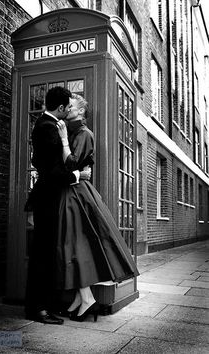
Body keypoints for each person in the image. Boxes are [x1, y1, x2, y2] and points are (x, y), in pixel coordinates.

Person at [55, 94, 139, 322]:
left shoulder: (84, 134)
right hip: (72, 192)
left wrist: (63, 139)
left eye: (70, 106)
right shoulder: (74, 132)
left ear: (81, 111)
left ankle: (87, 299)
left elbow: (71, 164)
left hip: (77, 195)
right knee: (73, 245)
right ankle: (82, 299)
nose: (66, 109)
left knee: (74, 245)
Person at [24, 87, 91, 325]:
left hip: (49, 197)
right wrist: (78, 176)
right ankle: (37, 308)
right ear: (61, 108)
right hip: (48, 198)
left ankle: (46, 304)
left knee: (46, 254)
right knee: (42, 255)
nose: (70, 110)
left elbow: (36, 160)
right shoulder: (48, 128)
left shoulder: (46, 124)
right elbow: (52, 171)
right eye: (68, 106)